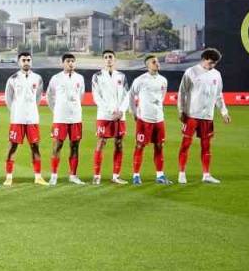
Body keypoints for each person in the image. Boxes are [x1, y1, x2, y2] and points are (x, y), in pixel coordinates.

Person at [176, 48, 231, 184]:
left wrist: (224, 112)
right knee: (186, 144)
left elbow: (219, 95)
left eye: (215, 63)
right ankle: (182, 173)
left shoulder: (217, 74)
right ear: (204, 58)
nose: (213, 65)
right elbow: (182, 92)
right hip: (192, 115)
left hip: (207, 116)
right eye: (211, 62)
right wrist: (181, 110)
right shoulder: (191, 72)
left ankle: (206, 175)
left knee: (206, 146)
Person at [3, 52, 46, 186]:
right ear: (19, 62)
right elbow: (8, 99)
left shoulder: (37, 78)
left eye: (28, 60)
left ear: (31, 62)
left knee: (35, 147)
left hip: (32, 118)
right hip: (17, 119)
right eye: (23, 60)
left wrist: (30, 108)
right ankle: (9, 177)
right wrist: (17, 110)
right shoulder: (13, 78)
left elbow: (38, 97)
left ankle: (38, 177)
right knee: (12, 147)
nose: (26, 62)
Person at [128, 55, 171, 185]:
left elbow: (162, 97)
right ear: (148, 66)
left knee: (159, 146)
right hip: (144, 119)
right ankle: (136, 175)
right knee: (140, 146)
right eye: (154, 62)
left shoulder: (163, 80)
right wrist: (134, 112)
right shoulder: (140, 80)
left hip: (159, 119)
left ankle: (160, 175)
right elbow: (131, 95)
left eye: (157, 61)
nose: (157, 63)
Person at [91, 49, 131, 185]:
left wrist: (121, 111)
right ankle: (96, 176)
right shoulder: (97, 76)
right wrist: (110, 111)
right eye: (106, 57)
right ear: (103, 60)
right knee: (101, 142)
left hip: (120, 115)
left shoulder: (122, 76)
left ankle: (116, 176)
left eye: (111, 57)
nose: (108, 59)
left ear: (115, 59)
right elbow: (97, 97)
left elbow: (127, 96)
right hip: (104, 115)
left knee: (119, 143)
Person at [46, 53, 86, 186]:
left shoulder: (80, 78)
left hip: (75, 117)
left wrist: (74, 108)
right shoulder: (55, 78)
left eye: (73, 61)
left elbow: (81, 95)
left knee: (75, 147)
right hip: (60, 118)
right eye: (68, 61)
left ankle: (73, 175)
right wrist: (56, 110)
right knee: (57, 146)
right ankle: (54, 175)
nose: (71, 63)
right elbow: (50, 96)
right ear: (63, 63)